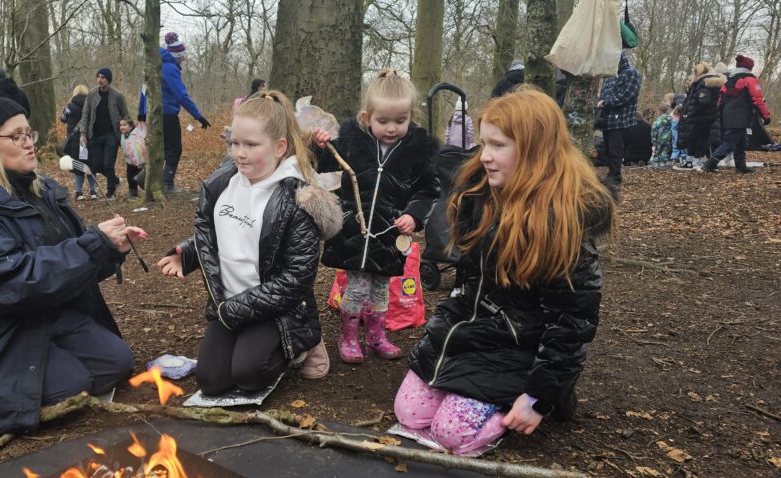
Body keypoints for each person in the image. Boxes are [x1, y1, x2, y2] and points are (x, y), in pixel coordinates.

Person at [0, 76, 146, 433]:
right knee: (73, 386)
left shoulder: (44, 191)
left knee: (117, 362)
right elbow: (13, 280)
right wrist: (92, 245)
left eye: (29, 133)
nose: (29, 145)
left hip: (43, 311)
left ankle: (53, 362)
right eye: (16, 136)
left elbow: (69, 263)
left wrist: (108, 249)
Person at [398, 87, 615, 456]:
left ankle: (540, 399)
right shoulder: (479, 199)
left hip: (520, 350)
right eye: (483, 144)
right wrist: (440, 332)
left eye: (498, 146)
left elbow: (571, 323)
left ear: (533, 151)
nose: (484, 157)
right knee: (410, 413)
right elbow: (467, 288)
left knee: (453, 435)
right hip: (472, 335)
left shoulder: (562, 223)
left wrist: (540, 397)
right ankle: (469, 393)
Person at [157, 90, 342, 391]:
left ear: (280, 147)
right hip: (227, 303)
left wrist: (236, 310)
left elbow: (297, 278)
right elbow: (218, 233)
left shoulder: (297, 199)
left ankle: (303, 341)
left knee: (248, 375)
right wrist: (187, 254)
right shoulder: (222, 185)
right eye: (235, 143)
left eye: (251, 145)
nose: (239, 152)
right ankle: (245, 343)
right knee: (211, 382)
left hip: (274, 308)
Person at [312, 69, 441, 364]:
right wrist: (319, 144)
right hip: (355, 232)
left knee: (382, 289)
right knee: (357, 287)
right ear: (367, 117)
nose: (392, 128)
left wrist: (414, 215)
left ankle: (376, 337)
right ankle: (348, 337)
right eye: (383, 121)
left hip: (389, 233)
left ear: (411, 116)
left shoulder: (416, 152)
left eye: (400, 121)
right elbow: (324, 162)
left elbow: (428, 190)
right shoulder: (352, 141)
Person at [138, 32, 211, 194]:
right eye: (183, 55)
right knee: (175, 149)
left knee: (161, 149)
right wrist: (198, 116)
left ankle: (146, 178)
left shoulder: (155, 64)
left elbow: (144, 90)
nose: (184, 59)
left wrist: (141, 112)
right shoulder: (170, 68)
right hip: (167, 114)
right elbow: (181, 95)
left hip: (153, 113)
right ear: (177, 55)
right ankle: (167, 184)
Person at [704, 55, 773, 174]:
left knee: (741, 141)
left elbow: (721, 100)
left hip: (728, 115)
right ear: (750, 67)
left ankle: (741, 166)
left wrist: (721, 114)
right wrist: (765, 116)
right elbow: (757, 99)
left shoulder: (729, 80)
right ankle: (711, 163)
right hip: (741, 116)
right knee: (730, 141)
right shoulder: (750, 80)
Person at [80, 67, 131, 198]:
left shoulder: (117, 96)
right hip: (95, 135)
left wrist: (131, 132)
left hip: (112, 135)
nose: (100, 80)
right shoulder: (91, 94)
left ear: (108, 80)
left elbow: (125, 114)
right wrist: (83, 134)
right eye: (98, 77)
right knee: (96, 165)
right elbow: (85, 115)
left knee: (108, 164)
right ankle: (114, 180)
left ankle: (111, 191)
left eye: (103, 77)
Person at [597, 52, 642, 185]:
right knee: (608, 147)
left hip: (621, 119)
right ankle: (611, 172)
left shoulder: (631, 73)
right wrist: (601, 101)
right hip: (607, 119)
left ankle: (615, 174)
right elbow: (603, 95)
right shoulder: (610, 77)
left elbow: (627, 95)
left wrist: (606, 102)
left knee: (615, 147)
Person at [675, 63, 724, 171]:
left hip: (701, 117)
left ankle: (693, 161)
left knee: (696, 139)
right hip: (709, 116)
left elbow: (703, 101)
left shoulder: (703, 83)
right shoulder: (712, 83)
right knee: (699, 139)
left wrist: (691, 114)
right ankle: (694, 161)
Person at [60, 85, 96, 200]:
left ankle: (79, 192)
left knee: (78, 165)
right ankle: (93, 191)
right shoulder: (91, 106)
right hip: (89, 139)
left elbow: (62, 118)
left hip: (75, 141)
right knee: (90, 164)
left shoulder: (69, 107)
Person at [120, 119, 145, 198]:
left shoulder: (135, 134)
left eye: (124, 125)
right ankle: (132, 192)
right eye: (120, 125)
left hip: (140, 161)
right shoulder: (122, 136)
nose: (122, 127)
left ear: (130, 127)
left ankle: (148, 189)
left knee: (142, 176)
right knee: (130, 177)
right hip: (129, 161)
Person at [650, 98, 674, 168]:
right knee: (667, 152)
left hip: (659, 140)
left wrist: (654, 141)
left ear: (659, 111)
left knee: (658, 152)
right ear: (667, 111)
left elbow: (654, 132)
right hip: (669, 140)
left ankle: (658, 163)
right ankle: (667, 163)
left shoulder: (657, 122)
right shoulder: (671, 119)